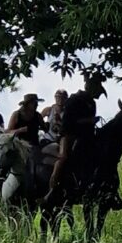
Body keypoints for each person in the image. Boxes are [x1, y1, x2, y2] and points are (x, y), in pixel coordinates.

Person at [43, 72, 105, 205]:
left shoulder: (92, 103)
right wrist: (88, 121)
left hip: (87, 137)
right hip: (70, 135)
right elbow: (67, 123)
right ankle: (53, 187)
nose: (99, 94)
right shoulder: (74, 100)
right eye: (98, 90)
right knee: (64, 157)